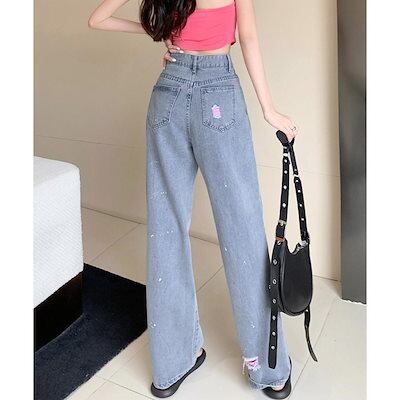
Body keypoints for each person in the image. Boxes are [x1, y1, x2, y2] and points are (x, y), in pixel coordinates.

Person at [88, 1, 298, 398]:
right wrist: (269, 110)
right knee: (242, 232)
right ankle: (268, 370)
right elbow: (249, 38)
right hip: (219, 94)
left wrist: (160, 34)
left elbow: (96, 19)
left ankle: (171, 365)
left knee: (165, 231)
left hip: (168, 91)